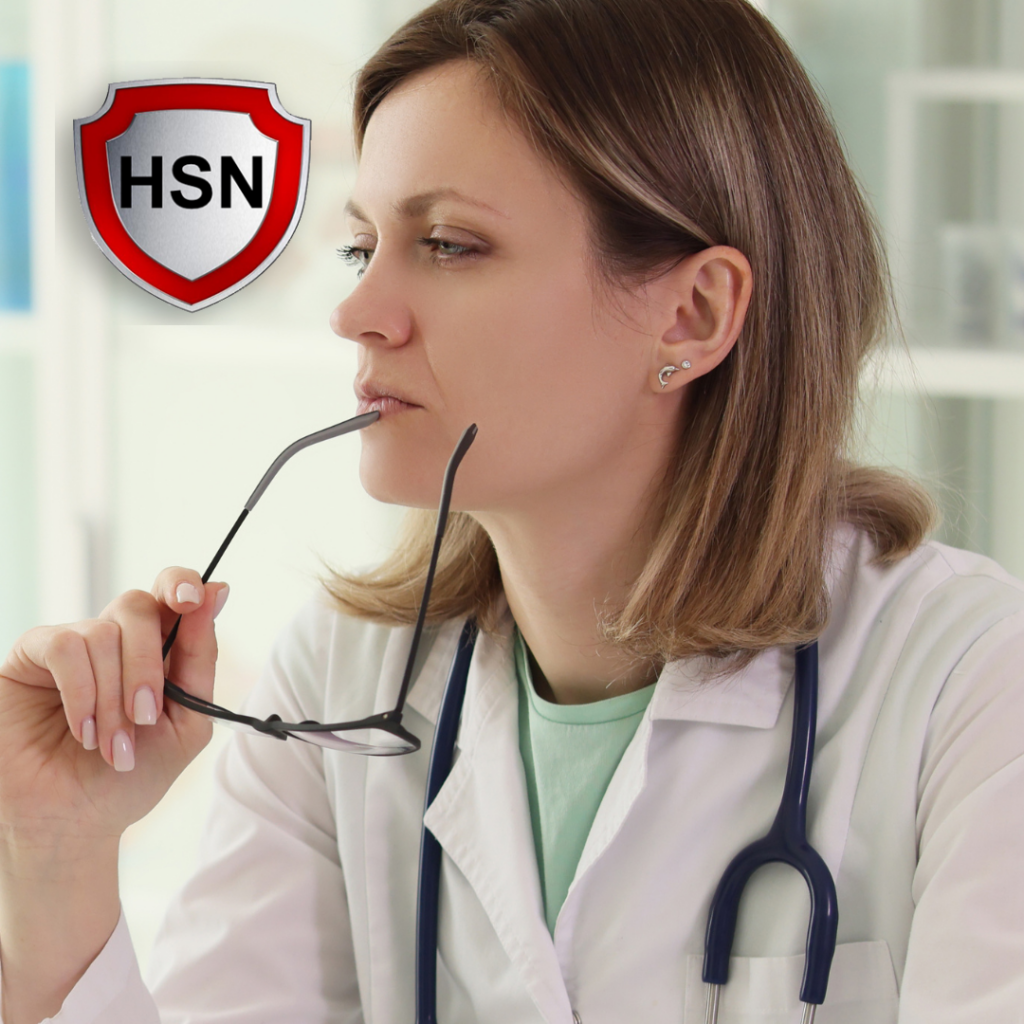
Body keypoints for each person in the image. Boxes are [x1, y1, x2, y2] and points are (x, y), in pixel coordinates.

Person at [2, 0, 1023, 1020]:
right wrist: (55, 864)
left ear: (692, 313)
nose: (356, 312)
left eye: (449, 244)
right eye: (362, 247)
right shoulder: (342, 683)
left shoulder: (969, 687)